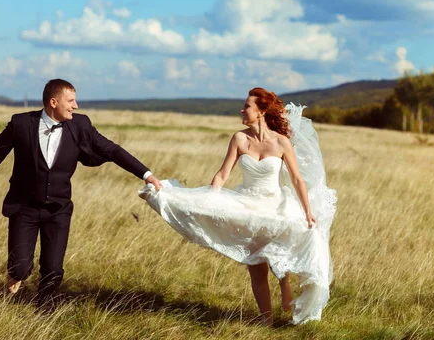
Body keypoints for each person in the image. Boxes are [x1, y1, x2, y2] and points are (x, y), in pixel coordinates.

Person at [139, 87, 336, 325]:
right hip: (246, 205)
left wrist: (307, 211)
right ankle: (266, 321)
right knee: (256, 265)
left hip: (276, 206)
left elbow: (296, 179)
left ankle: (284, 284)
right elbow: (222, 174)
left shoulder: (282, 142)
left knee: (278, 253)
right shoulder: (240, 138)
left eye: (247, 106)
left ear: (261, 111)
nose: (242, 110)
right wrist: (208, 201)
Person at [0, 79, 162, 313]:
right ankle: (15, 274)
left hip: (58, 210)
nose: (75, 106)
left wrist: (146, 174)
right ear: (53, 102)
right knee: (20, 267)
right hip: (23, 208)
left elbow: (112, 150)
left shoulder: (81, 125)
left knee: (53, 268)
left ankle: (44, 312)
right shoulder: (20, 124)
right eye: (71, 101)